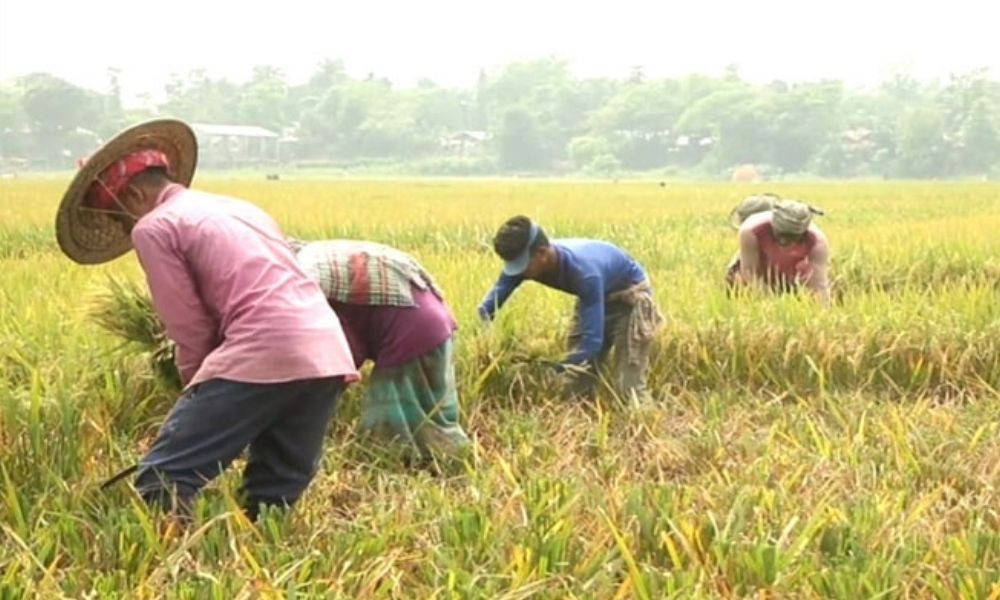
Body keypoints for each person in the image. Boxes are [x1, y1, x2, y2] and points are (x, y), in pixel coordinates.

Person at [56, 120, 358, 518]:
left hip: (262, 346)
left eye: (117, 218)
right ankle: (262, 561)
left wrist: (197, 387)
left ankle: (171, 573)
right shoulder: (239, 207)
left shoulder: (154, 227)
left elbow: (188, 324)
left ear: (132, 195)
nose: (123, 229)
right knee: (275, 487)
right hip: (327, 352)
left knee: (165, 477)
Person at [292, 239, 471, 460]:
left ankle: (412, 470)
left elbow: (338, 353)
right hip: (434, 322)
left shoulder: (303, 280)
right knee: (430, 413)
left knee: (390, 425)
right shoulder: (318, 258)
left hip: (410, 330)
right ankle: (450, 459)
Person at [478, 216, 663, 403]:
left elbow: (592, 342)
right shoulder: (526, 263)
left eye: (521, 266)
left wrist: (555, 367)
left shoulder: (584, 273)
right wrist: (484, 338)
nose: (516, 272)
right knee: (574, 385)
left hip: (629, 299)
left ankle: (646, 421)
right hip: (594, 296)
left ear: (541, 253)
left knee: (629, 386)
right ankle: (585, 423)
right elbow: (487, 308)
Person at [725, 197, 831, 306]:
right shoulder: (751, 231)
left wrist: (822, 309)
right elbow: (749, 272)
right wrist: (771, 303)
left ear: (803, 233)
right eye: (780, 234)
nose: (783, 240)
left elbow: (819, 285)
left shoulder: (817, 243)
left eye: (791, 237)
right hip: (758, 269)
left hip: (789, 274)